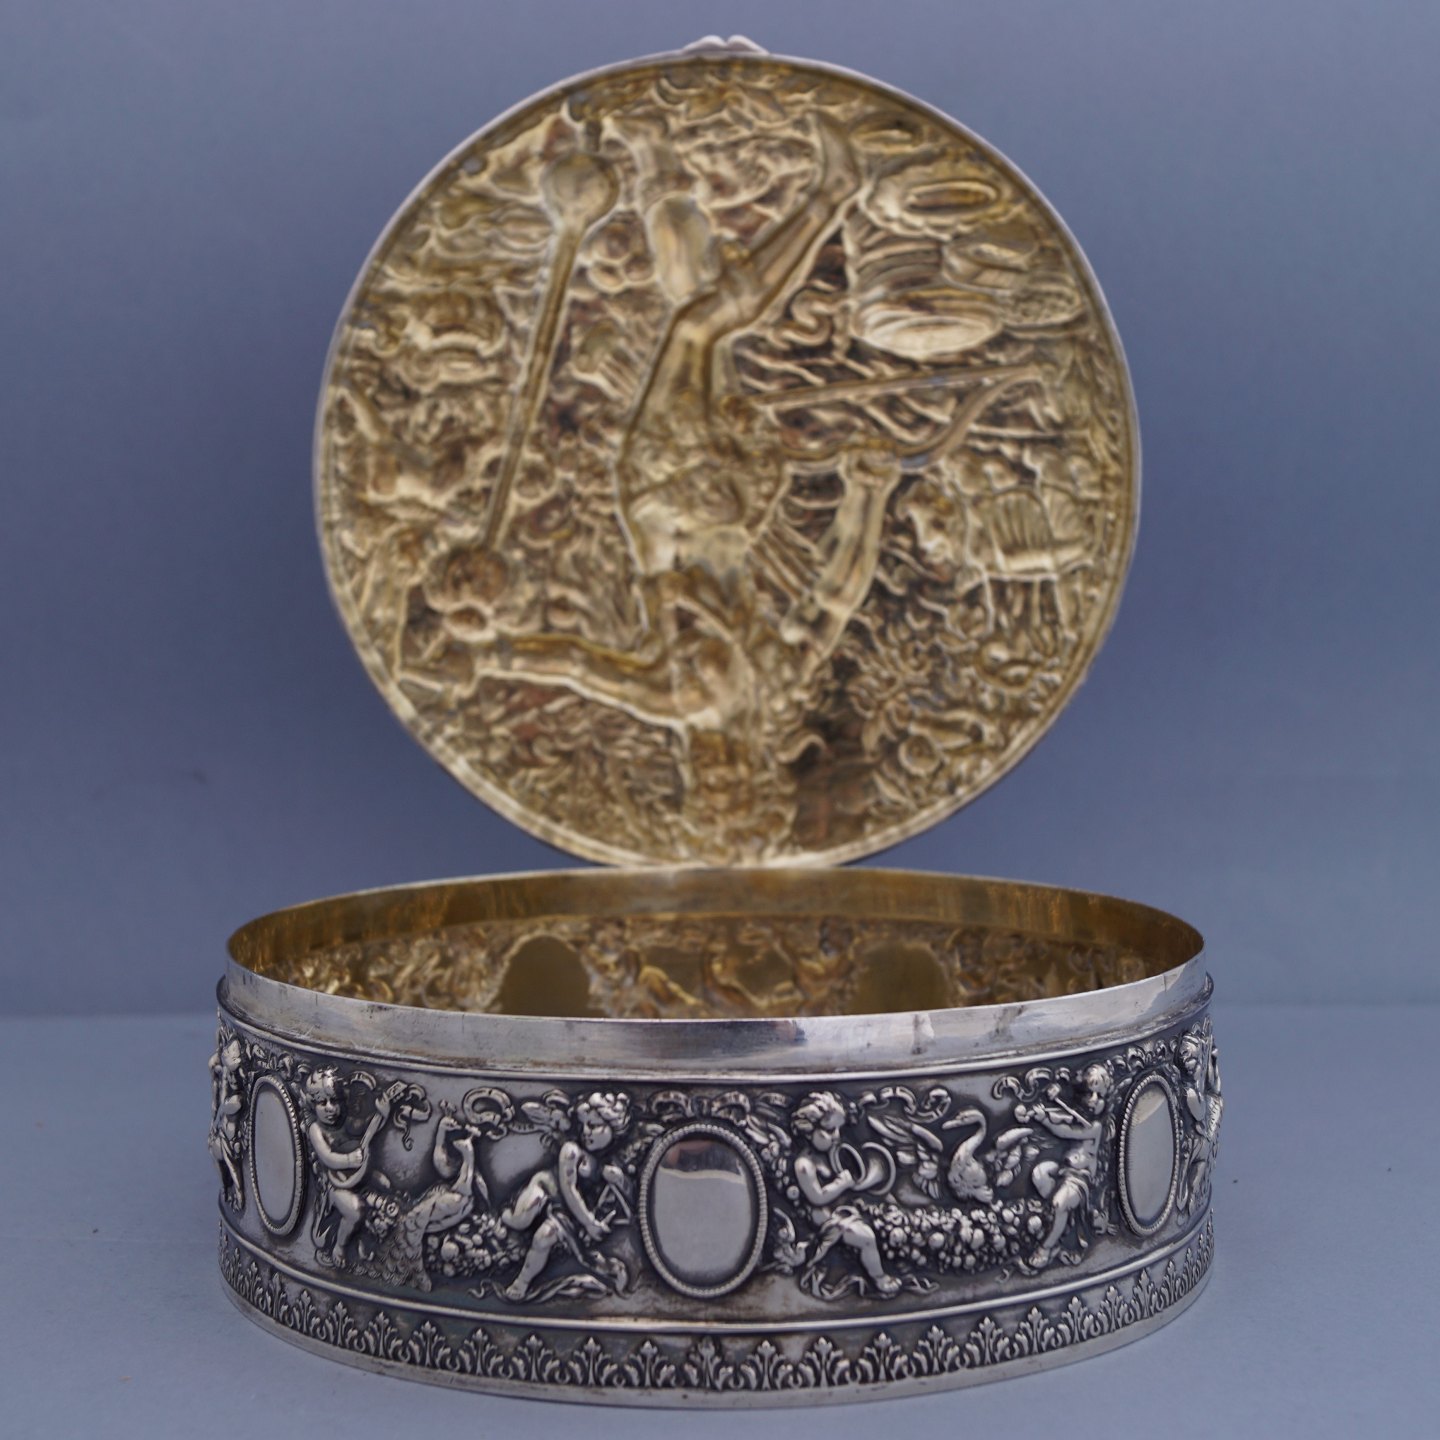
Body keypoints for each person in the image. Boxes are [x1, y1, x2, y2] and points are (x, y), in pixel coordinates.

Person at [500, 1091, 631, 1301]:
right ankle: (503, 1216)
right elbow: (568, 1189)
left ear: (613, 1127)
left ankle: (522, 1282)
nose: (586, 1131)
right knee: (520, 1220)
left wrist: (620, 1180)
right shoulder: (571, 1151)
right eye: (583, 1125)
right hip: (549, 1191)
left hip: (573, 1211)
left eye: (594, 1125)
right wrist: (589, 1223)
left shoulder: (616, 1158)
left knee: (543, 1237)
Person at [791, 1091, 901, 1297]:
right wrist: (841, 1184)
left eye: (839, 1130)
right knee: (867, 1238)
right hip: (827, 1222)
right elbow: (816, 1197)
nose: (837, 1136)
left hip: (841, 1211)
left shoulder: (830, 1153)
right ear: (808, 1129)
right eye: (829, 1130)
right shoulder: (804, 1165)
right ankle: (879, 1278)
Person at [304, 1068, 405, 1268]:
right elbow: (327, 1156)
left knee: (385, 1184)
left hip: (357, 1175)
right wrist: (349, 1160)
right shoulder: (316, 1129)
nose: (330, 1108)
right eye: (322, 1103)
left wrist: (383, 1114)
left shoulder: (345, 1121)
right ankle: (340, 1246)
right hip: (333, 1184)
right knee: (354, 1210)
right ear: (312, 1104)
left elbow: (369, 1133)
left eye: (334, 1101)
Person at [1016, 1063, 1114, 1268]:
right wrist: (1045, 1113)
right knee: (1040, 1172)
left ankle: (1046, 1247)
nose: (1093, 1100)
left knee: (1060, 1203)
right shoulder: (1077, 1116)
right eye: (1089, 1094)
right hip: (1065, 1171)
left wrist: (1044, 1119)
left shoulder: (1095, 1126)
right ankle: (1059, 1217)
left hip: (1080, 1177)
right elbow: (1063, 1119)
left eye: (1099, 1096)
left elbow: (1066, 1132)